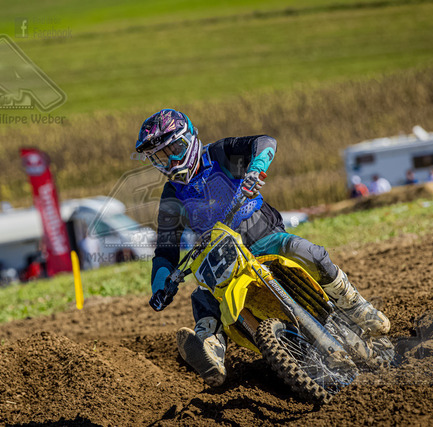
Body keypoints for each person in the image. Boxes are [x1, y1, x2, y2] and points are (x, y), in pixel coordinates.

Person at [134, 109, 390, 387]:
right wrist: (160, 287)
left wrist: (255, 169)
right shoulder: (172, 194)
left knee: (305, 251)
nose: (171, 161)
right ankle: (210, 352)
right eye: (160, 157)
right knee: (203, 298)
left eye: (175, 150)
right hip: (223, 260)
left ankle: (354, 304)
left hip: (263, 238)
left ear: (191, 139)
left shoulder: (218, 154)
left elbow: (265, 142)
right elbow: (166, 248)